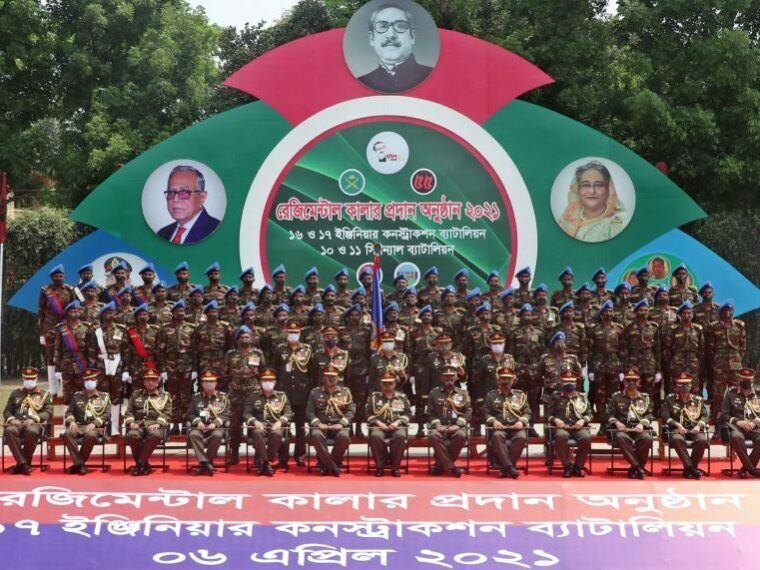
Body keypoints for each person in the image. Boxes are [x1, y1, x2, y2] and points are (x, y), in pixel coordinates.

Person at [357, 3, 434, 92]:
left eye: (400, 26)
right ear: (371, 38)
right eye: (382, 26)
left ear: (412, 37)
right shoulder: (362, 82)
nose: (391, 35)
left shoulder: (432, 76)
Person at [557, 160, 630, 242]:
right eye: (586, 185)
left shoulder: (619, 222)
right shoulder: (566, 220)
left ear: (609, 190)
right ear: (577, 190)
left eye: (598, 185)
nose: (592, 191)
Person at [224, 325, 266, 465]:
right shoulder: (231, 355)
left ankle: (257, 455)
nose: (245, 339)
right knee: (235, 426)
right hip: (235, 394)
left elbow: (263, 373)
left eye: (247, 337)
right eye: (242, 337)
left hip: (253, 394)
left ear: (252, 339)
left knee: (255, 425)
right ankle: (234, 454)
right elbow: (225, 373)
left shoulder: (258, 354)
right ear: (237, 340)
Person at [306, 364, 355, 476]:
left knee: (344, 437)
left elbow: (350, 411)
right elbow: (309, 412)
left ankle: (326, 464)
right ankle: (333, 466)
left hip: (338, 426)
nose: (331, 378)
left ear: (338, 377)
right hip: (321, 426)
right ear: (323, 377)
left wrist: (341, 424)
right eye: (328, 376)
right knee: (316, 435)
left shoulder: (345, 392)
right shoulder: (315, 392)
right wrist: (318, 424)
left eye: (333, 376)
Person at [3, 367, 53, 475]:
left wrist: (34, 419)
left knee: (31, 432)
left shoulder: (44, 395)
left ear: (36, 379)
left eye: (31, 379)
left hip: (34, 424)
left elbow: (48, 412)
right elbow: (7, 411)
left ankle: (21, 465)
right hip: (17, 424)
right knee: (10, 431)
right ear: (23, 379)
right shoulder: (15, 393)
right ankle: (24, 464)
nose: (28, 381)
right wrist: (12, 419)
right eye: (26, 379)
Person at [606, 369, 654, 479]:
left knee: (646, 438)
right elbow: (608, 414)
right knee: (620, 437)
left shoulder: (645, 397)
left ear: (639, 382)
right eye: (628, 380)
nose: (631, 382)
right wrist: (617, 423)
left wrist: (642, 424)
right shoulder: (616, 397)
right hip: (623, 428)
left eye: (634, 380)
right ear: (624, 382)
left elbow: (650, 414)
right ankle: (638, 467)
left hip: (639, 428)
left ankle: (634, 468)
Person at [243, 368, 292, 476]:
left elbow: (288, 412)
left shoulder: (281, 396)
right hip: (260, 425)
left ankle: (266, 461)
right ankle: (266, 463)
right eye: (265, 380)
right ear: (261, 382)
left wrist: (280, 422)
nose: (268, 383)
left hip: (276, 426)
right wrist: (255, 421)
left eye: (270, 380)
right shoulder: (253, 396)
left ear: (275, 382)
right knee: (257, 433)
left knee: (276, 434)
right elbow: (246, 413)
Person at [483, 366, 529, 479]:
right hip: (500, 427)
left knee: (522, 437)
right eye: (503, 378)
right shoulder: (491, 395)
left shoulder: (520, 395)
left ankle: (506, 468)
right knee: (497, 436)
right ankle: (510, 467)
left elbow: (527, 412)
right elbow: (486, 412)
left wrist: (521, 422)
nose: (506, 381)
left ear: (513, 380)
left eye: (508, 379)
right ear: (498, 380)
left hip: (516, 427)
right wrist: (493, 421)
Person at [426, 365, 472, 477]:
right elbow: (430, 413)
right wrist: (437, 425)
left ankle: (440, 465)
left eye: (451, 376)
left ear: (456, 377)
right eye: (446, 376)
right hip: (440, 427)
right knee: (433, 435)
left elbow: (468, 411)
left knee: (461, 435)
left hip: (456, 427)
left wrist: (458, 425)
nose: (449, 379)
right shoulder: (434, 393)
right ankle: (451, 467)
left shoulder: (462, 393)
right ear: (441, 378)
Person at [123, 368, 171, 476]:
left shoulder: (164, 396)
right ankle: (145, 465)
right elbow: (129, 411)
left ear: (158, 382)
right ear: (144, 382)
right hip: (138, 425)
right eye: (148, 380)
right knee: (132, 436)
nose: (150, 382)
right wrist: (131, 423)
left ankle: (139, 465)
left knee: (155, 435)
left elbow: (167, 413)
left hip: (156, 426)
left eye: (153, 380)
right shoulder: (136, 395)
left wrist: (158, 423)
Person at [63, 368, 111, 474]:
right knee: (67, 433)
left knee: (90, 435)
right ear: (84, 382)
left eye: (92, 379)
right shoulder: (77, 397)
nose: (89, 382)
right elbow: (69, 412)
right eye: (87, 380)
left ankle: (77, 465)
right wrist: (72, 421)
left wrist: (95, 423)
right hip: (79, 426)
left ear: (96, 382)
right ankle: (80, 464)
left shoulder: (104, 397)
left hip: (96, 428)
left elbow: (107, 414)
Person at [545, 370, 592, 477]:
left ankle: (578, 467)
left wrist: (583, 420)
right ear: (561, 382)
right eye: (566, 381)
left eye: (571, 381)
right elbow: (548, 415)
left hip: (577, 427)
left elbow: (589, 414)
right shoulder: (556, 396)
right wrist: (555, 420)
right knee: (561, 436)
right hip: (562, 427)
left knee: (586, 438)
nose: (569, 384)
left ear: (576, 383)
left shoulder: (582, 396)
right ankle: (566, 466)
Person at [661, 372, 708, 479]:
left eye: (686, 384)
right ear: (677, 386)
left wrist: (698, 426)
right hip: (678, 430)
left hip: (694, 429)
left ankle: (690, 468)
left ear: (690, 386)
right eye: (681, 384)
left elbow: (705, 416)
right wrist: (676, 424)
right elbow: (665, 416)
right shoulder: (670, 399)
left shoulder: (697, 400)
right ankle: (691, 468)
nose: (684, 387)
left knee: (702, 440)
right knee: (677, 439)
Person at [157, 165, 220, 244]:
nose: (175, 199)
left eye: (184, 192)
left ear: (202, 197)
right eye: (171, 192)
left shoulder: (217, 231)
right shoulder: (162, 234)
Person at [366, 371, 411, 477]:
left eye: (390, 383)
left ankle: (395, 467)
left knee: (400, 436)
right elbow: (368, 414)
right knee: (375, 436)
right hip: (379, 426)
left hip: (396, 426)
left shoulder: (402, 397)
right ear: (380, 384)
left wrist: (398, 422)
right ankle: (380, 466)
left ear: (395, 383)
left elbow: (408, 413)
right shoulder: (374, 397)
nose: (387, 385)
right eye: (385, 383)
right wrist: (378, 423)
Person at [38, 264, 74, 395]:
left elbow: (74, 310)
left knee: (65, 357)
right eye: (56, 276)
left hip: (65, 328)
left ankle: (65, 388)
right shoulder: (45, 291)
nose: (58, 278)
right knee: (50, 358)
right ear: (52, 278)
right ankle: (53, 388)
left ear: (64, 276)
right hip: (49, 329)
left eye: (61, 276)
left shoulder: (70, 290)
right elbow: (41, 311)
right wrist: (41, 333)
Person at [186, 370, 230, 476]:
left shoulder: (223, 397)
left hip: (215, 427)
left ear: (216, 383)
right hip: (200, 427)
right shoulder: (196, 397)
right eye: (206, 382)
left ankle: (205, 463)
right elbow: (190, 413)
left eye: (211, 381)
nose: (208, 384)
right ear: (202, 384)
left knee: (217, 435)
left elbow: (227, 413)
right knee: (193, 434)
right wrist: (198, 422)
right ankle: (207, 463)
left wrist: (215, 423)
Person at [719, 368, 760, 478]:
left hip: (754, 427)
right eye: (743, 379)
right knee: (736, 437)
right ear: (738, 380)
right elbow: (724, 415)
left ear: (753, 380)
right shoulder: (730, 394)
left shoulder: (758, 394)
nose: (746, 382)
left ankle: (745, 469)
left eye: (749, 380)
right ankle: (752, 470)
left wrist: (755, 422)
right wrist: (738, 422)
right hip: (737, 427)